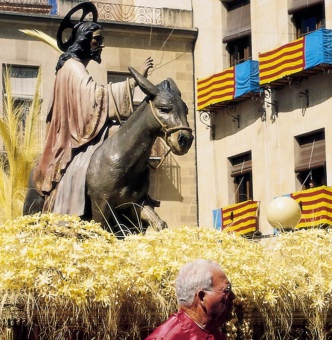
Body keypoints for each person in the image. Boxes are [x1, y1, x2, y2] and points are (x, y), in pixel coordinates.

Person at [33, 14, 153, 215]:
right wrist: (133, 82)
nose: (101, 45)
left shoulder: (72, 67)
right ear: (83, 40)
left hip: (80, 130)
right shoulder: (73, 67)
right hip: (74, 138)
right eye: (97, 39)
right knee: (118, 134)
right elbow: (94, 99)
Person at [146, 259, 236, 340]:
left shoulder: (214, 333)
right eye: (227, 290)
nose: (233, 296)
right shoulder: (165, 337)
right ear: (202, 297)